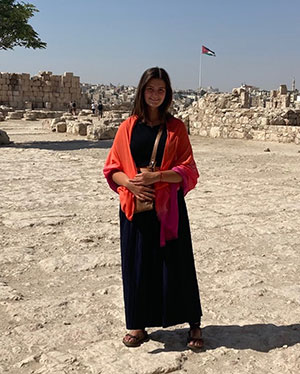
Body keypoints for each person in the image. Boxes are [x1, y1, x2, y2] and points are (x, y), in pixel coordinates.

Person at [103, 67, 203, 350]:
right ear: (141, 91)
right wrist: (132, 185)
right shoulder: (128, 127)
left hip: (169, 208)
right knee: (138, 265)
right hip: (135, 207)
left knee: (178, 264)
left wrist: (157, 177)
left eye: (161, 90)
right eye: (150, 89)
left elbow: (188, 169)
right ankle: (138, 324)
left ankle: (192, 321)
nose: (155, 95)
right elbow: (113, 168)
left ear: (167, 93)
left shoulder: (176, 128)